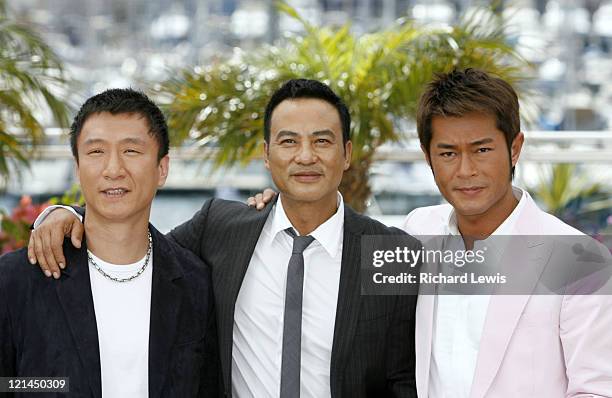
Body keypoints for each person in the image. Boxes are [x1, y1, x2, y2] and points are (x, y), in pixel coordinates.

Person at [26, 79, 420, 398]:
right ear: (266, 155)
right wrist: (65, 212)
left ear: (347, 153)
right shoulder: (222, 228)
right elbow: (136, 243)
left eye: (321, 141)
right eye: (288, 142)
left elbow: (405, 379)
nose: (305, 156)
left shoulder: (392, 253)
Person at [248, 69, 612, 397]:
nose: (466, 170)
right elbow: (335, 273)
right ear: (427, 156)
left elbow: (596, 390)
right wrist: (276, 207)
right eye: (448, 153)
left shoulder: (580, 262)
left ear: (514, 148)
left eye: (482, 150)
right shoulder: (415, 234)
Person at [0, 88, 218, 397]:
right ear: (77, 169)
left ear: (162, 169)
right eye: (96, 152)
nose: (113, 169)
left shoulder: (195, 282)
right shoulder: (17, 278)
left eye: (131, 151)